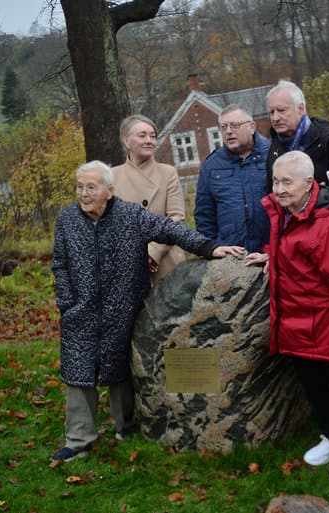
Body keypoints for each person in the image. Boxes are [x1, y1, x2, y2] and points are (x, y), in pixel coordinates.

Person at [51, 160, 244, 462]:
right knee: (78, 374)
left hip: (121, 307)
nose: (84, 193)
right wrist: (67, 300)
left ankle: (124, 427)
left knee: (119, 370)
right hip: (81, 310)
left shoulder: (129, 215)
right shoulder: (67, 219)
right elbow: (60, 262)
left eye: (91, 187)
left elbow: (170, 228)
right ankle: (78, 440)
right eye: (80, 187)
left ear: (109, 191)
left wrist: (208, 248)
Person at [245, 151, 329, 486]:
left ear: (309, 184)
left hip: (328, 326)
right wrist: (269, 257)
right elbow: (292, 253)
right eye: (275, 181)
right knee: (315, 388)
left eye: (286, 182)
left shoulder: (327, 224)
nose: (278, 188)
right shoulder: (285, 216)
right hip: (296, 326)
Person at [112, 114, 186, 285]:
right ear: (126, 141)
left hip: (167, 261)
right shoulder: (112, 177)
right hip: (128, 264)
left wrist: (152, 251)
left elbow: (176, 218)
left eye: (152, 136)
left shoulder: (168, 173)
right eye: (142, 135)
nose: (149, 140)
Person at [194, 104, 270, 252]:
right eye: (224, 127)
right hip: (231, 258)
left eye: (234, 125)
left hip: (271, 252)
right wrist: (214, 248)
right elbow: (204, 216)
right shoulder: (211, 166)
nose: (228, 131)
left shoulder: (273, 155)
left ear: (252, 127)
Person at [265, 80, 329, 192]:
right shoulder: (273, 149)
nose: (275, 118)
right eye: (271, 112)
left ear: (301, 109)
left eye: (281, 110)